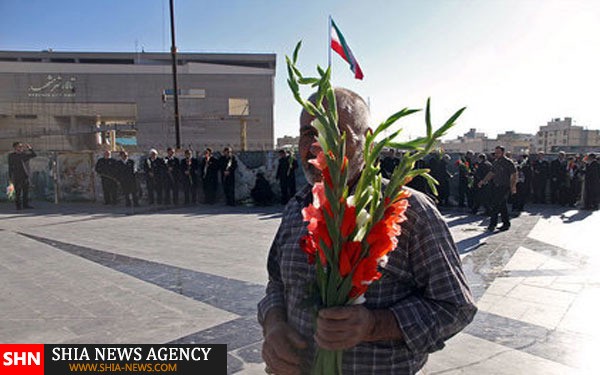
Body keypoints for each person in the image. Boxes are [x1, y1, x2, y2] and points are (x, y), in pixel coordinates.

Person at [258, 88, 476, 374]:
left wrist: (374, 325)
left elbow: (455, 307)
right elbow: (276, 283)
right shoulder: (297, 206)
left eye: (335, 132)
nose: (316, 145)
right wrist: (274, 326)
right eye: (308, 133)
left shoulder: (412, 212)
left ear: (369, 140)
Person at [478, 146, 517, 232]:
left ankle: (492, 225)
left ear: (502, 152)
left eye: (498, 152)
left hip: (505, 186)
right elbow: (491, 173)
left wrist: (513, 187)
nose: (496, 154)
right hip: (496, 186)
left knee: (495, 205)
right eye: (495, 152)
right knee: (502, 205)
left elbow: (514, 175)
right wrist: (483, 181)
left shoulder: (508, 162)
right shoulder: (495, 162)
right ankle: (506, 224)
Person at [8, 141, 36, 210]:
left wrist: (30, 149)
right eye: (19, 146)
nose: (21, 148)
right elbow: (10, 166)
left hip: (25, 175)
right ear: (15, 147)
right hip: (17, 175)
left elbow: (34, 155)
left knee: (25, 191)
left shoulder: (24, 154)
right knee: (18, 191)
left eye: (21, 146)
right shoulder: (12, 156)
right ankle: (18, 206)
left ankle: (25, 204)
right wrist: (10, 176)